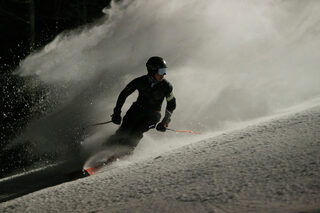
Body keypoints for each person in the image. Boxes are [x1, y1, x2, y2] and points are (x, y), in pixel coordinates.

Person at [105, 56, 176, 152]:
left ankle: (125, 152)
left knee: (137, 132)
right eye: (161, 71)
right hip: (137, 109)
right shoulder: (140, 81)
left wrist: (165, 121)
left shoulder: (166, 86)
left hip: (153, 115)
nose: (163, 74)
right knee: (123, 131)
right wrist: (117, 113)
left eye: (164, 71)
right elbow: (124, 94)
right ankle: (105, 149)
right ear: (152, 71)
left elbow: (171, 104)